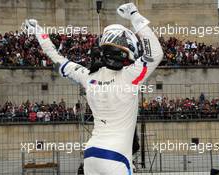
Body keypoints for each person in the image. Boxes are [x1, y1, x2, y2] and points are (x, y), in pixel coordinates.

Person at [25, 2, 163, 175]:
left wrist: (38, 31)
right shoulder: (131, 76)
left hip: (91, 154)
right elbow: (156, 54)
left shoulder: (88, 76)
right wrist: (134, 15)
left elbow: (57, 58)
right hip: (116, 156)